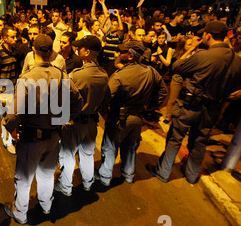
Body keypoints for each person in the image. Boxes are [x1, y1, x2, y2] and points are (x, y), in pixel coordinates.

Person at [147, 21, 241, 184]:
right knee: (199, 142)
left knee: (175, 139)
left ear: (208, 35)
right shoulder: (237, 61)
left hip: (189, 105)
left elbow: (176, 67)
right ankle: (191, 175)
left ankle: (163, 172)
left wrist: (191, 48)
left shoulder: (204, 55)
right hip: (212, 108)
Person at [2, 34, 83, 223]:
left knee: (24, 177)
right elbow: (78, 102)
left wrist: (10, 128)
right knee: (47, 174)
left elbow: (13, 114)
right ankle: (46, 205)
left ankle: (20, 213)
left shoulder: (27, 78)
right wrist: (64, 118)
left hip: (31, 137)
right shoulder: (62, 75)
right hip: (54, 136)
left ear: (33, 51)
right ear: (52, 53)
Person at [97, 40, 167, 186]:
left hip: (119, 118)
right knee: (130, 147)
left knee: (110, 147)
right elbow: (163, 91)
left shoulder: (120, 76)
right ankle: (128, 175)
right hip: (138, 117)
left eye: (122, 52)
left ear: (130, 56)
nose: (118, 54)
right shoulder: (151, 72)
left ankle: (105, 176)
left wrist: (104, 113)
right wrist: (150, 107)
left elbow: (106, 96)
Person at [55, 35, 109, 196]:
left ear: (87, 52)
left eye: (80, 47)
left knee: (68, 154)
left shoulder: (77, 75)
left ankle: (65, 186)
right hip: (93, 121)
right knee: (87, 154)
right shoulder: (104, 74)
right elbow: (105, 101)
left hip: (75, 121)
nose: (77, 49)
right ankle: (87, 182)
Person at [0, 26, 20, 155]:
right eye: (12, 37)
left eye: (15, 36)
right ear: (5, 38)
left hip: (14, 89)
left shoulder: (14, 51)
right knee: (6, 118)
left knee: (11, 117)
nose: (15, 39)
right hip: (4, 91)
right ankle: (7, 142)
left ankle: (10, 139)